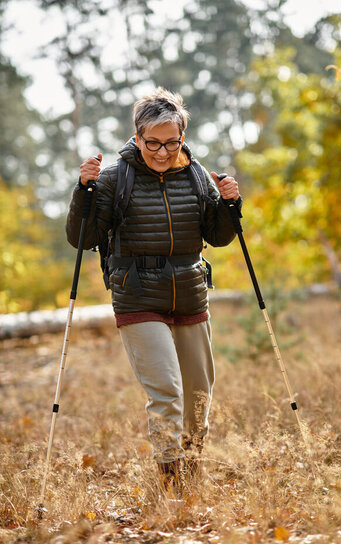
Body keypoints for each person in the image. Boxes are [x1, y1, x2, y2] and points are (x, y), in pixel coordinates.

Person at [66, 88, 242, 493]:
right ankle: (172, 489)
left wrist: (231, 206)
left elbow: (218, 237)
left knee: (198, 400)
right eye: (153, 143)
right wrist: (84, 191)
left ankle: (192, 478)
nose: (163, 152)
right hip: (138, 297)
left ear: (182, 135)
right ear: (138, 135)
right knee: (167, 391)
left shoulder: (198, 175)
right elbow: (83, 237)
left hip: (190, 293)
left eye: (172, 142)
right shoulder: (114, 177)